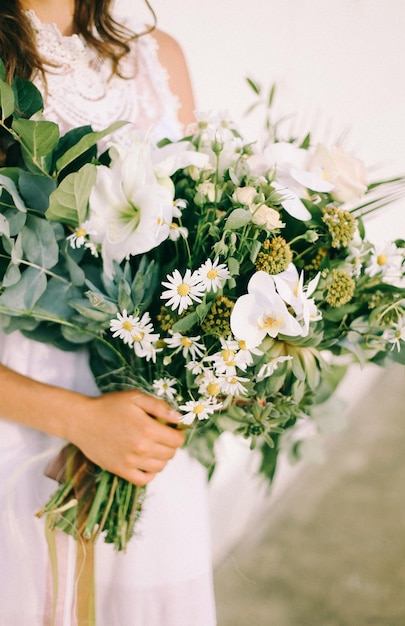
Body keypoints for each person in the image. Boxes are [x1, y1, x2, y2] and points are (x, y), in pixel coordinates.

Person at [0, 1, 216, 624]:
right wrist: (85, 422)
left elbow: (197, 256)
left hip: (148, 426)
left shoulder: (158, 60)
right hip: (23, 425)